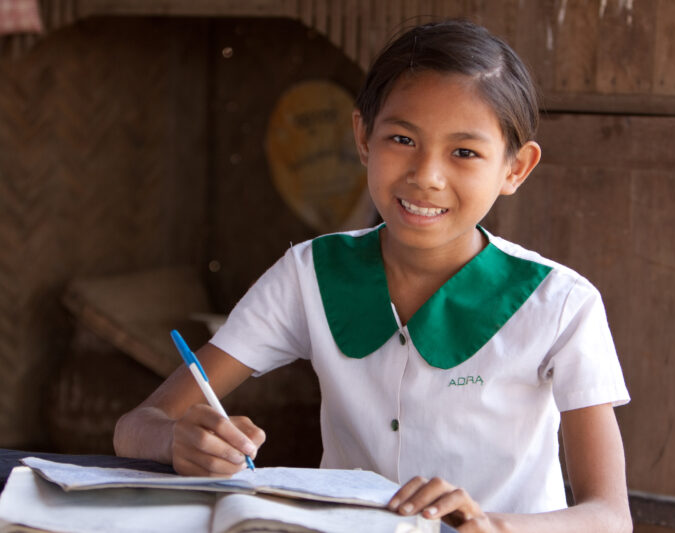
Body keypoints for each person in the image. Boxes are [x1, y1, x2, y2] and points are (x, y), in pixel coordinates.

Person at [114, 19, 632, 533]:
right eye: (402, 139)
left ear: (515, 169)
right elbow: (136, 427)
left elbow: (609, 517)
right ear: (363, 137)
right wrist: (176, 440)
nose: (426, 176)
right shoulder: (309, 275)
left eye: (465, 152)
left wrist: (492, 527)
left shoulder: (561, 304)